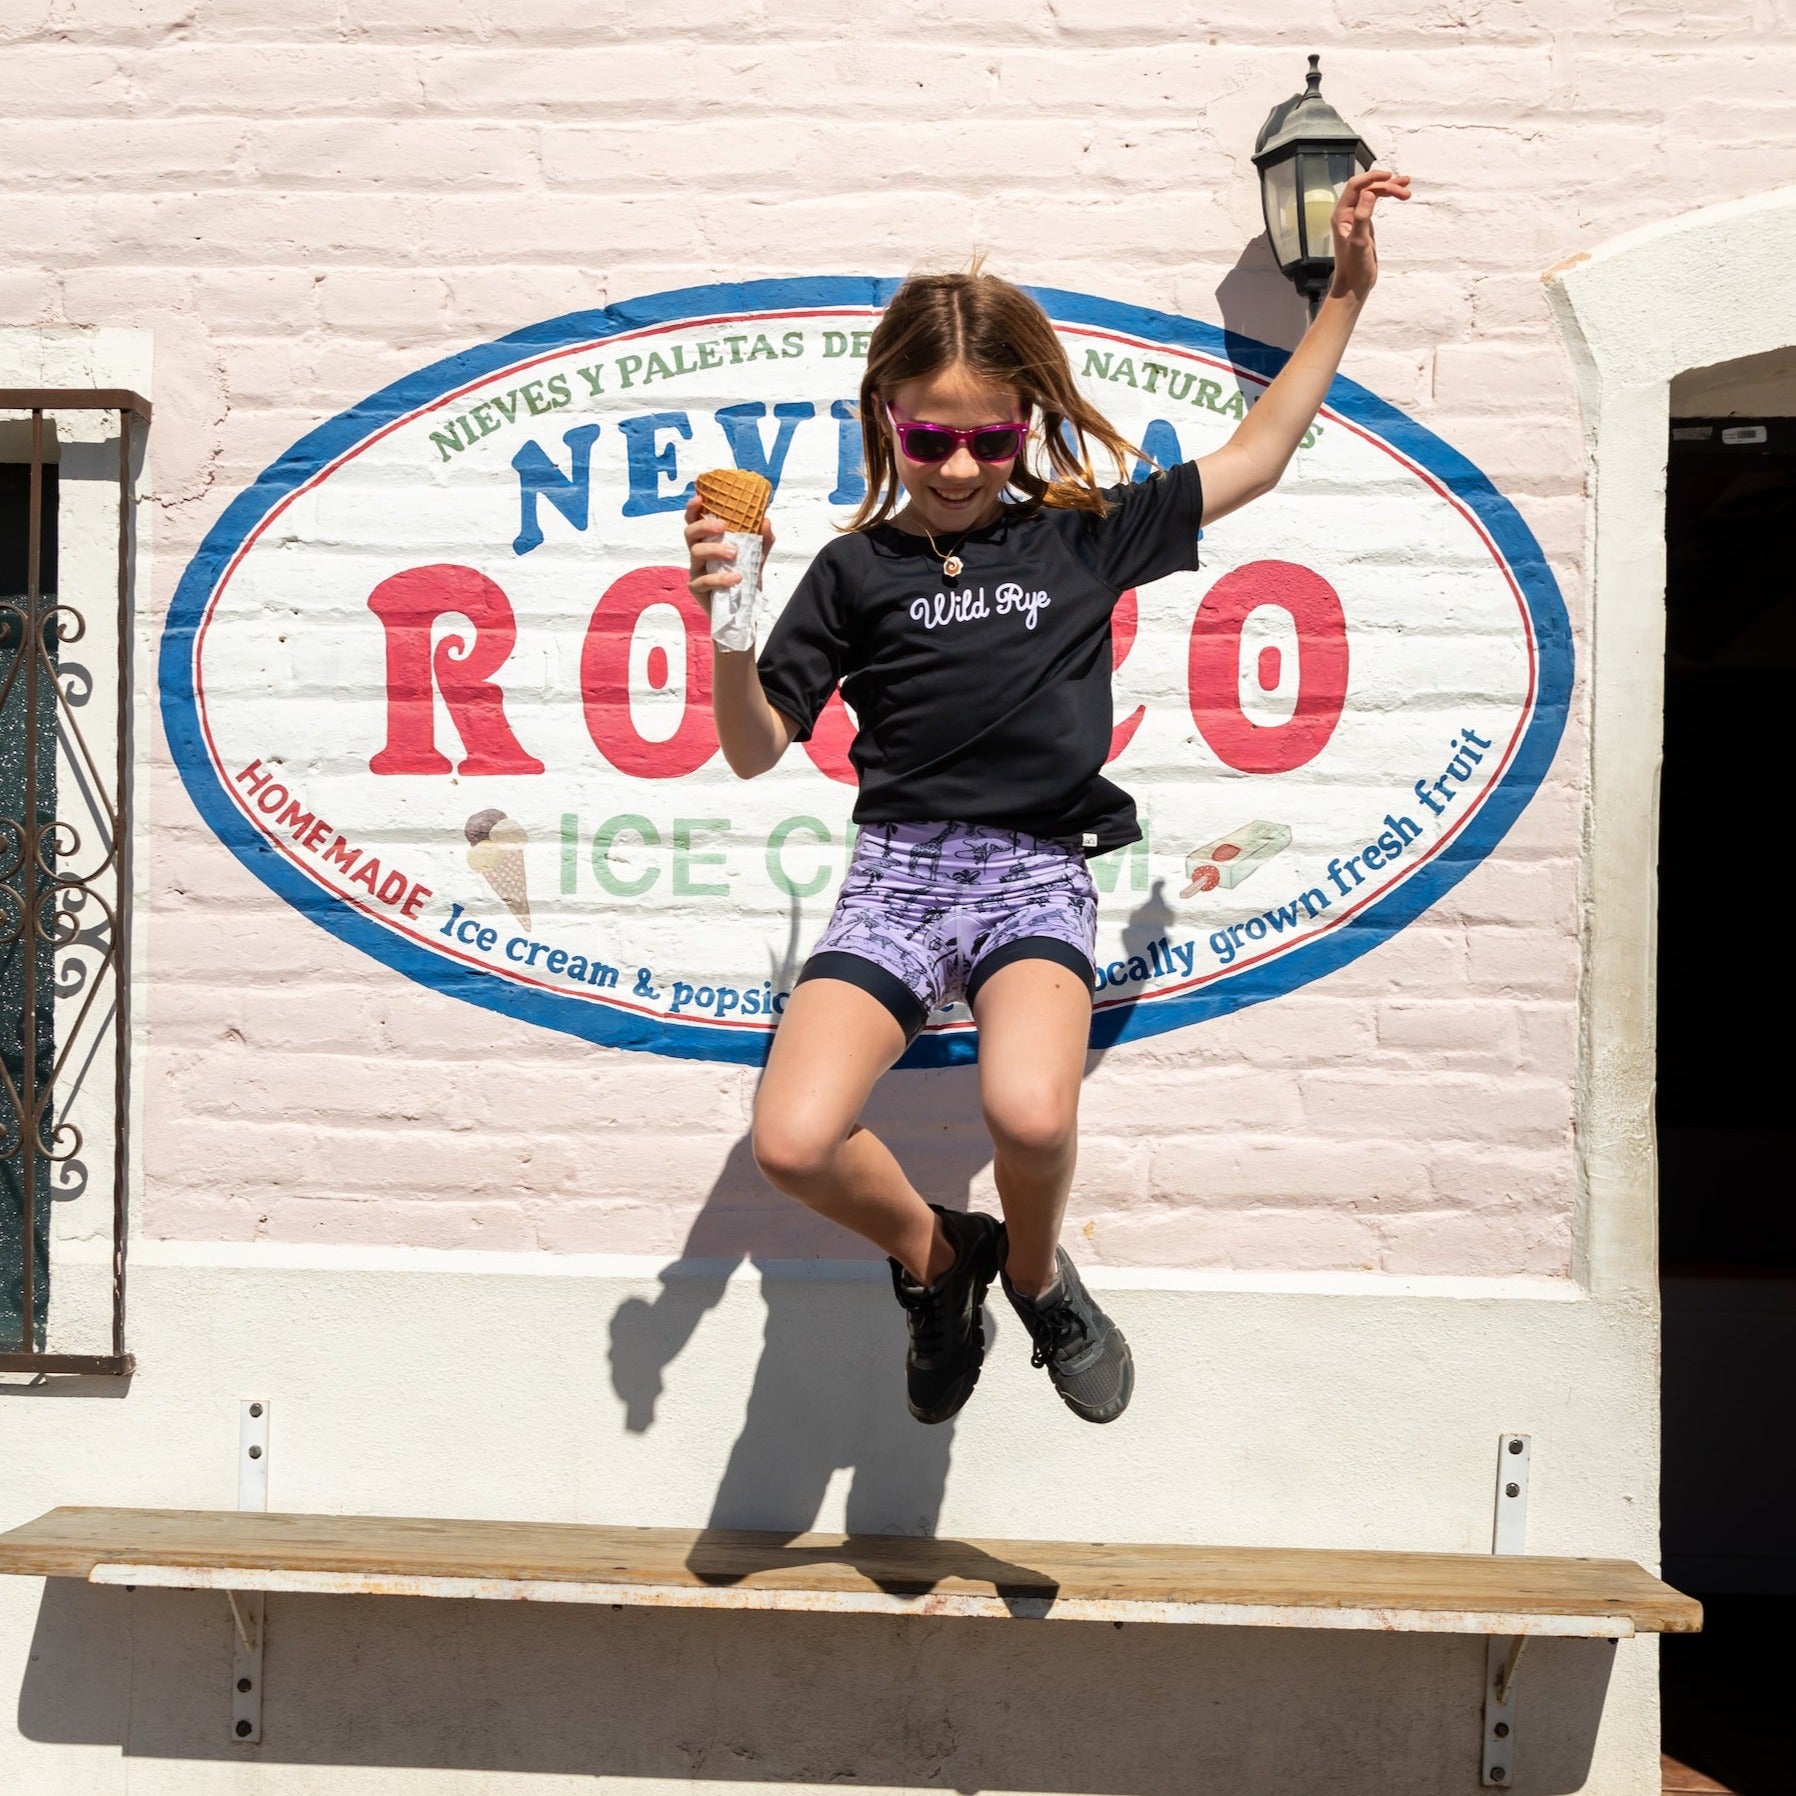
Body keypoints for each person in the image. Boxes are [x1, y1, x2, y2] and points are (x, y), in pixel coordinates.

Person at [684, 168, 1410, 1428]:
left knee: (1027, 1113)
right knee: (792, 1142)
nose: (960, 462)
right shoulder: (853, 573)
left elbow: (1256, 452)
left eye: (989, 436)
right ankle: (936, 1256)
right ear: (886, 422)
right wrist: (729, 626)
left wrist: (1339, 296)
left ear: (1025, 426)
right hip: (897, 879)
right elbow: (753, 749)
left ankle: (1031, 1273)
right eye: (930, 437)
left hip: (1031, 869)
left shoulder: (1079, 535)